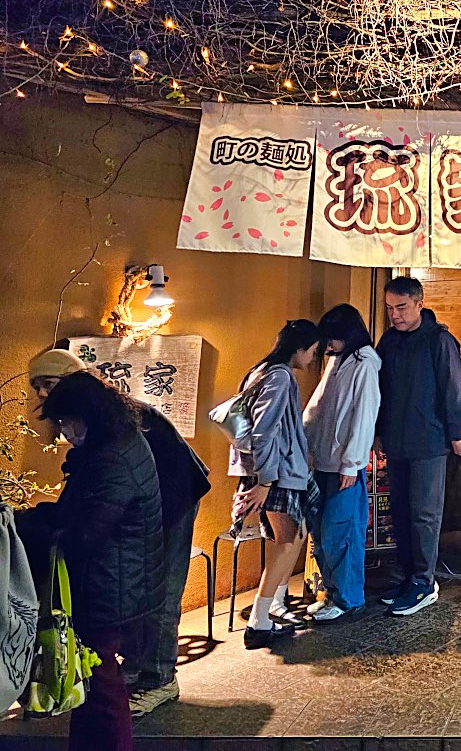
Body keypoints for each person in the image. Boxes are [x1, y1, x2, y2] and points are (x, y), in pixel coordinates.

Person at [27, 348, 211, 718]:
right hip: (142, 504)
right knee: (132, 587)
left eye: (49, 384)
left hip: (175, 500)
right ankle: (135, 666)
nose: (44, 395)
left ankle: (160, 678)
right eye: (37, 387)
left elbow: (145, 475)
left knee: (159, 591)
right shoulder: (99, 414)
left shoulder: (118, 415)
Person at [22, 371, 164, 751]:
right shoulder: (116, 442)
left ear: (87, 414)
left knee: (101, 685)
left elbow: (84, 534)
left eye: (66, 421)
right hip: (115, 578)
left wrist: (28, 527)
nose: (63, 430)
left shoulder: (112, 459)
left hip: (109, 585)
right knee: (91, 680)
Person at [375, 276, 461, 616]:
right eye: (389, 308)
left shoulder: (439, 340)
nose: (395, 315)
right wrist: (377, 433)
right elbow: (379, 391)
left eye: (401, 307)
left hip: (429, 442)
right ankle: (407, 578)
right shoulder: (388, 341)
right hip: (396, 440)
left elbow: (454, 390)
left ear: (419, 303)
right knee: (400, 512)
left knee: (424, 514)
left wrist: (456, 434)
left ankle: (423, 582)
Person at [229, 319, 320, 649]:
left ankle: (273, 606)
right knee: (287, 540)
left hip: (272, 472)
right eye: (311, 352)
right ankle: (260, 621)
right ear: (299, 349)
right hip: (277, 475)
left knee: (291, 535)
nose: (312, 359)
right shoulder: (280, 377)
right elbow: (264, 432)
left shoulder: (261, 371)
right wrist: (266, 480)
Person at [303, 304, 381, 623]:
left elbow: (364, 415)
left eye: (333, 339)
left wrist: (352, 463)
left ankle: (348, 599)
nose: (328, 346)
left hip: (344, 465)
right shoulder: (337, 360)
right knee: (322, 532)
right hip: (324, 459)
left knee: (341, 532)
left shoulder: (366, 363)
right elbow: (317, 407)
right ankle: (334, 594)